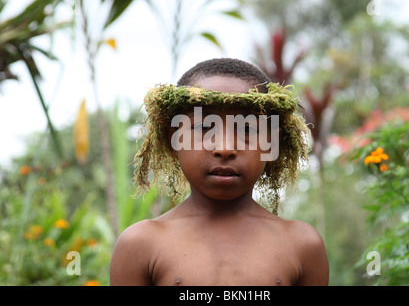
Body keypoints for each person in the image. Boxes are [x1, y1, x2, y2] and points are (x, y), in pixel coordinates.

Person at [110, 58, 329, 286]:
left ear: (271, 142)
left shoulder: (302, 245)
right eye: (204, 127)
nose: (224, 148)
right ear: (173, 139)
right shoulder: (140, 245)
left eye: (247, 129)